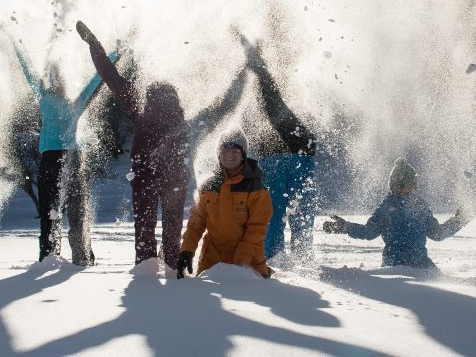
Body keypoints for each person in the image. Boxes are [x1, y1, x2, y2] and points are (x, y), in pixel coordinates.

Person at [76, 20, 189, 270]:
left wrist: (94, 45)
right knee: (171, 226)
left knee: (148, 226)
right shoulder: (178, 107)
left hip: (150, 171)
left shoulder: (141, 101)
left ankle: (148, 266)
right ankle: (170, 266)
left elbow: (110, 75)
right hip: (170, 172)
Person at [11, 37, 118, 266]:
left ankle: (49, 258)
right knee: (78, 212)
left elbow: (28, 70)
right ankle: (83, 258)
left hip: (51, 159)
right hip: (73, 158)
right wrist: (116, 54)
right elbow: (97, 79)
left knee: (50, 212)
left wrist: (15, 40)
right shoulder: (75, 102)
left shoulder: (44, 96)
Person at [239, 34, 319, 264]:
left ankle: (283, 256)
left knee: (287, 211)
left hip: (291, 152)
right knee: (287, 211)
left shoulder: (280, 108)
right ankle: (285, 257)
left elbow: (272, 98)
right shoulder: (273, 113)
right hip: (286, 153)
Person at [322, 158, 471, 269]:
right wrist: (346, 227)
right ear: (391, 186)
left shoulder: (420, 207)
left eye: (406, 184)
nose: (402, 188)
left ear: (414, 186)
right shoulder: (386, 208)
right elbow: (369, 232)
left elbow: (437, 233)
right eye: (397, 184)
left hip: (421, 263)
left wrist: (459, 221)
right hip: (393, 265)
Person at [177, 131, 273, 278]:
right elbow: (196, 223)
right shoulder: (208, 186)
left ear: (243, 154)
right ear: (218, 153)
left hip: (248, 266)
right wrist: (186, 251)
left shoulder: (255, 187)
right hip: (211, 266)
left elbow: (257, 228)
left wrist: (240, 263)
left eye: (235, 149)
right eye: (224, 149)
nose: (230, 154)